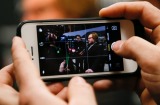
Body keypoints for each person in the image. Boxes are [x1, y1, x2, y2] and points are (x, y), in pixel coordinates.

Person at [1, 1, 160, 105]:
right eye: (25, 12)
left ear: (74, 13)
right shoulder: (27, 75)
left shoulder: (110, 91)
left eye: (39, 10)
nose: (27, 19)